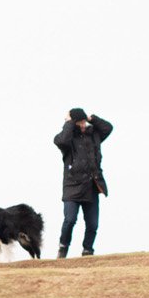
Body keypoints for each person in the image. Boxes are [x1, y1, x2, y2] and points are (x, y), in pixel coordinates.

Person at [53, 107, 113, 257]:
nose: (83, 124)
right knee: (70, 220)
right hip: (72, 187)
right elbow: (61, 140)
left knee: (93, 224)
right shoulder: (67, 139)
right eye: (79, 122)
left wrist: (91, 117)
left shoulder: (94, 134)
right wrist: (69, 122)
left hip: (92, 185)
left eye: (83, 121)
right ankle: (63, 247)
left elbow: (108, 127)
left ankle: (88, 250)